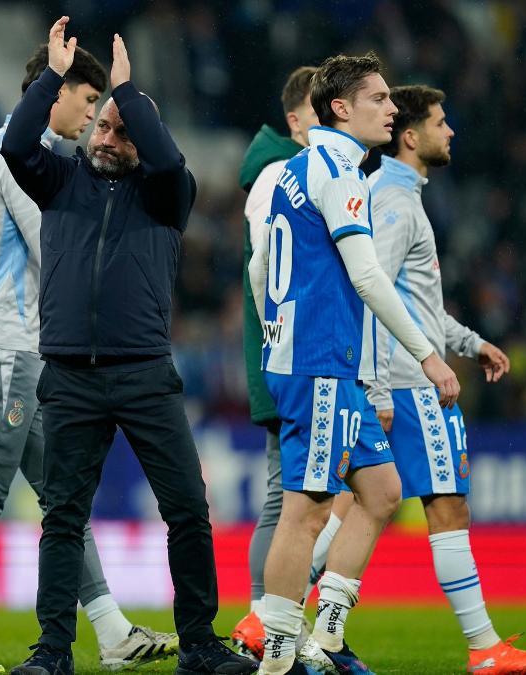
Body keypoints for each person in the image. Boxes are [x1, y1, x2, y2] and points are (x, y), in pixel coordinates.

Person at [0, 41, 177, 673]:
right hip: (9, 350)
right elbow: (58, 246)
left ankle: (111, 631)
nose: (92, 117)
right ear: (55, 93)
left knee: (63, 498)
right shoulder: (24, 161)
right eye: (88, 100)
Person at [2, 18, 257, 675]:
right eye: (102, 126)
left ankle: (198, 644)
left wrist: (127, 94)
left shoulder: (167, 193)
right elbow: (14, 144)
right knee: (63, 518)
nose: (106, 137)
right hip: (70, 377)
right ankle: (52, 651)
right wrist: (53, 77)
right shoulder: (59, 181)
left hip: (144, 374)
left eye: (121, 130)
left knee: (188, 510)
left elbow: (168, 159)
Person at [248, 52, 460, 675]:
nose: (393, 110)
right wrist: (428, 356)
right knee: (307, 510)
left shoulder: (296, 170)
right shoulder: (340, 173)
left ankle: (329, 636)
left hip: (325, 362)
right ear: (340, 108)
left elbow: (260, 265)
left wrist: (273, 329)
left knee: (382, 492)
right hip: (319, 363)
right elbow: (367, 276)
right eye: (379, 99)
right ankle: (277, 657)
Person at [364, 84, 526, 674]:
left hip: (398, 376)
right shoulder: (396, 203)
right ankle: (484, 648)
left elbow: (413, 306)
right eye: (440, 122)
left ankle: (270, 621)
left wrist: (471, 344)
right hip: (410, 384)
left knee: (357, 508)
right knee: (447, 508)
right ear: (410, 136)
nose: (450, 131)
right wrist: (382, 385)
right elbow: (372, 294)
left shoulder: (392, 195)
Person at [232, 65, 353, 661]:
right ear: (296, 119)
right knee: (291, 500)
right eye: (319, 110)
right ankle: (265, 619)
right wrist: (281, 340)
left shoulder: (294, 172)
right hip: (293, 360)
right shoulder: (280, 176)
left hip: (296, 356)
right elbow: (267, 273)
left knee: (323, 495)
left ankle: (277, 619)